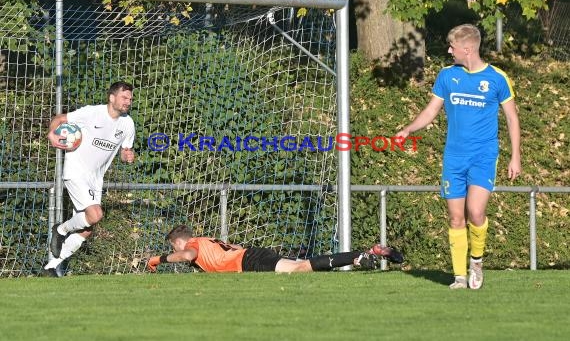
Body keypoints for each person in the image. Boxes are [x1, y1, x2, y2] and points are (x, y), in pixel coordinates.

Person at [395, 24, 521, 289]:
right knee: (455, 218)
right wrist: (408, 129)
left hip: (484, 156)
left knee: (475, 212)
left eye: (452, 47)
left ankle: (476, 260)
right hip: (454, 157)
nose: (449, 50)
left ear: (467, 49)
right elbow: (431, 111)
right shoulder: (446, 76)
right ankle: (459, 277)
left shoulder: (497, 78)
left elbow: (511, 118)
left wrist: (515, 156)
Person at [43, 81, 136, 275]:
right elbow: (60, 118)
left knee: (87, 227)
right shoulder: (91, 113)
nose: (128, 101)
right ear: (112, 98)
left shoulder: (128, 123)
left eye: (130, 98)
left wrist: (127, 155)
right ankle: (60, 230)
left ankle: (51, 267)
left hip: (95, 179)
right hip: (76, 171)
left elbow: (125, 150)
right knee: (95, 215)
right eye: (124, 97)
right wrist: (51, 134)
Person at [147, 224, 404, 273]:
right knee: (305, 264)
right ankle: (364, 255)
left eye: (173, 247)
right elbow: (233, 246)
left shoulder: (192, 246)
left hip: (250, 261)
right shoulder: (207, 239)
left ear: (178, 241)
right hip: (251, 255)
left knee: (299, 269)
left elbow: (187, 254)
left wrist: (157, 259)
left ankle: (360, 256)